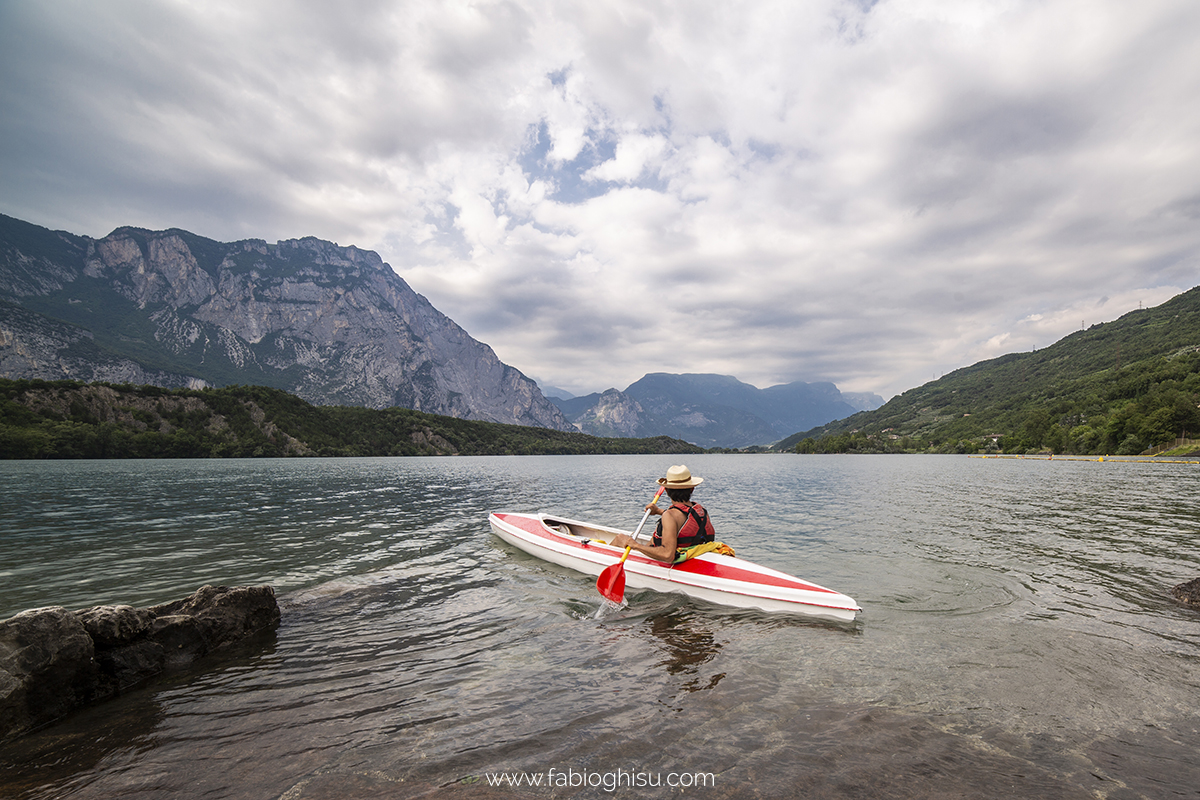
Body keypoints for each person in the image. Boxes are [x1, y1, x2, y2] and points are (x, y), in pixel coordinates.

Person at [609, 465, 715, 564]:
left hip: (672, 560)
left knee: (620, 538)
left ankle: (606, 562)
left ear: (667, 491)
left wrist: (636, 545)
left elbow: (668, 555)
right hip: (693, 554)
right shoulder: (701, 511)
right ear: (692, 489)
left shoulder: (670, 515)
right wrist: (658, 511)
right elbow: (683, 518)